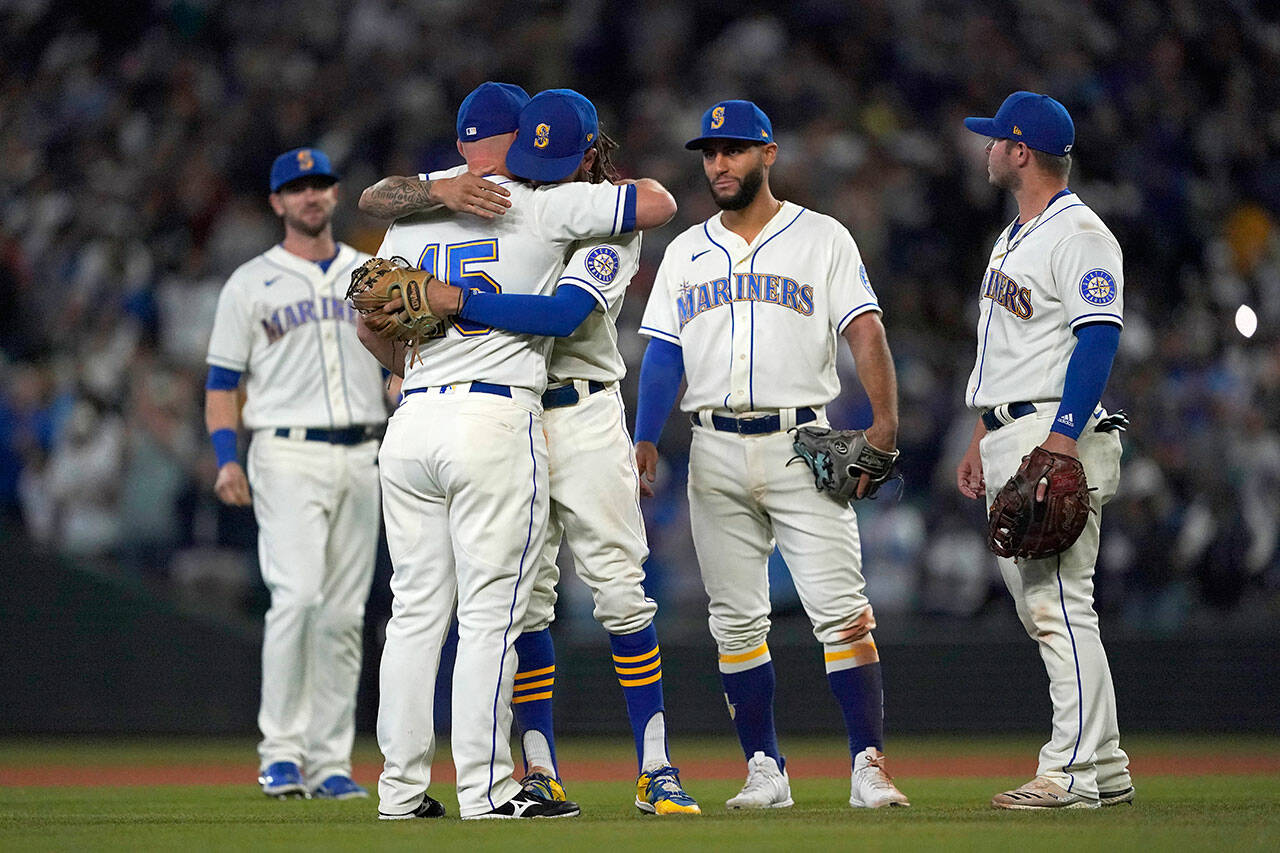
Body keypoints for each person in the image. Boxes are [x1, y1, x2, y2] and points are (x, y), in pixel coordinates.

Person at [360, 90, 699, 816]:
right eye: (528, 152)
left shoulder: (570, 209)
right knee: (515, 607)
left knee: (608, 590)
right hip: (502, 419)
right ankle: (526, 771)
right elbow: (658, 201)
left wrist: (435, 318)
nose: (535, 167)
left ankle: (655, 765)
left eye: (550, 154)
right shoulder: (531, 204)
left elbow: (565, 312)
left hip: (566, 411)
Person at [633, 100, 910, 811]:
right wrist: (642, 433)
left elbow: (866, 332)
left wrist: (884, 423)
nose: (718, 163)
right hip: (713, 447)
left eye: (733, 149)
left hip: (801, 444)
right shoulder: (687, 250)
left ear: (768, 153)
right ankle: (764, 767)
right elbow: (663, 351)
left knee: (843, 612)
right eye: (710, 152)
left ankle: (868, 764)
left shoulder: (821, 238)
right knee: (734, 621)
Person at [955, 91, 1133, 810]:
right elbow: (1009, 348)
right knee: (1049, 611)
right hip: (1010, 429)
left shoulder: (1080, 234)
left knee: (1062, 607)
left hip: (1052, 433)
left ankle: (1069, 774)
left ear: (1020, 151)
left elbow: (1099, 337)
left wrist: (1060, 438)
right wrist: (980, 434)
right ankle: (1109, 763)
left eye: (996, 139)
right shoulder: (1012, 236)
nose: (987, 148)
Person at [204, 148, 385, 800]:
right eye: (297, 188)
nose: (311, 196)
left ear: (335, 194)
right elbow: (222, 384)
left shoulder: (371, 273)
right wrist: (227, 455)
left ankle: (331, 760)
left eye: (321, 185)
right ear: (277, 202)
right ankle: (280, 753)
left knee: (343, 614)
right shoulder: (250, 282)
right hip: (285, 450)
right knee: (298, 597)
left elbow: (399, 360)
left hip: (365, 451)